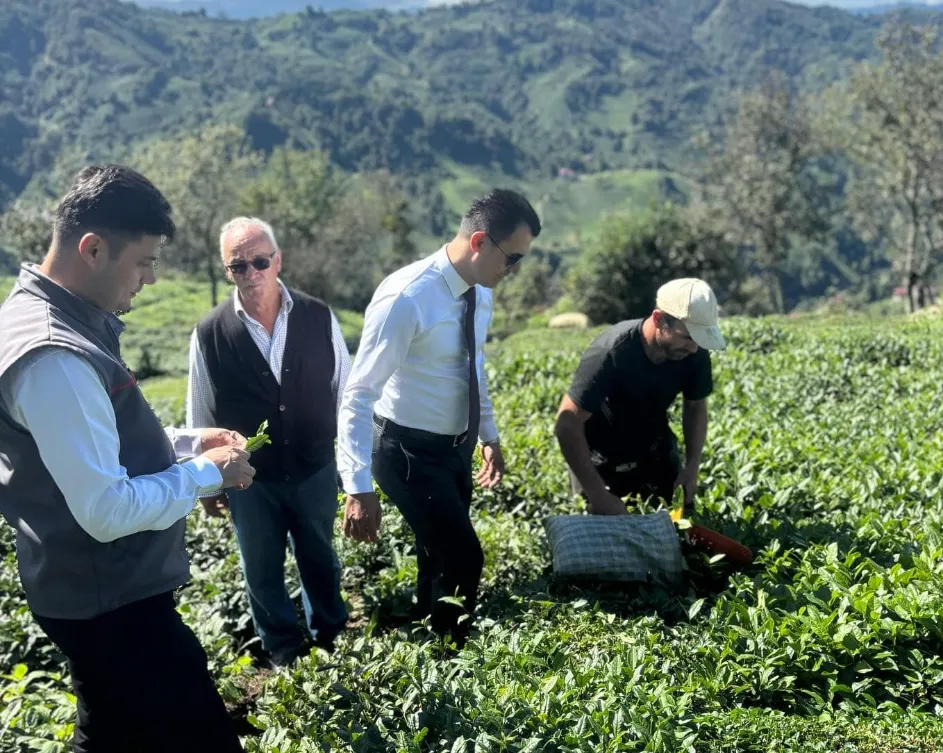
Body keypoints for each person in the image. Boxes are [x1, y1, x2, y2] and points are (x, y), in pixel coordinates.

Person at [0, 164, 255, 752]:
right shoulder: (54, 355)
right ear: (93, 249)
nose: (151, 279)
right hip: (111, 604)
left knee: (112, 734)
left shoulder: (57, 321)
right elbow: (105, 508)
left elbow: (93, 442)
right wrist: (205, 474)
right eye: (143, 262)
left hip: (90, 594)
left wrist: (192, 442)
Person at [338, 188, 541, 643]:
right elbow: (357, 395)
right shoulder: (407, 299)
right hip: (406, 450)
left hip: (454, 448)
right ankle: (451, 655)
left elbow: (473, 365)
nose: (514, 271)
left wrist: (488, 434)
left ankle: (427, 635)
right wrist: (357, 485)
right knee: (463, 557)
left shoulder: (479, 291)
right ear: (480, 242)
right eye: (513, 259)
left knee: (436, 553)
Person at [186, 216, 352, 668]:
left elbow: (346, 390)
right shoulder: (208, 333)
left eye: (260, 261)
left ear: (277, 260)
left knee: (320, 556)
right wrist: (205, 481)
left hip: (314, 465)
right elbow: (199, 411)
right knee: (260, 568)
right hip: (248, 480)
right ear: (227, 271)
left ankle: (333, 636)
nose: (252, 272)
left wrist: (353, 467)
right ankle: (283, 649)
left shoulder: (318, 316)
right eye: (239, 265)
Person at [554, 278, 726, 517]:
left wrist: (692, 466)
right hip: (599, 460)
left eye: (699, 340)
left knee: (679, 530)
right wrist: (597, 495)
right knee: (604, 543)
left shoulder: (693, 351)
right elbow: (567, 424)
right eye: (687, 337)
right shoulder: (611, 353)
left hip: (654, 450)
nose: (694, 349)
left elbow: (696, 406)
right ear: (659, 320)